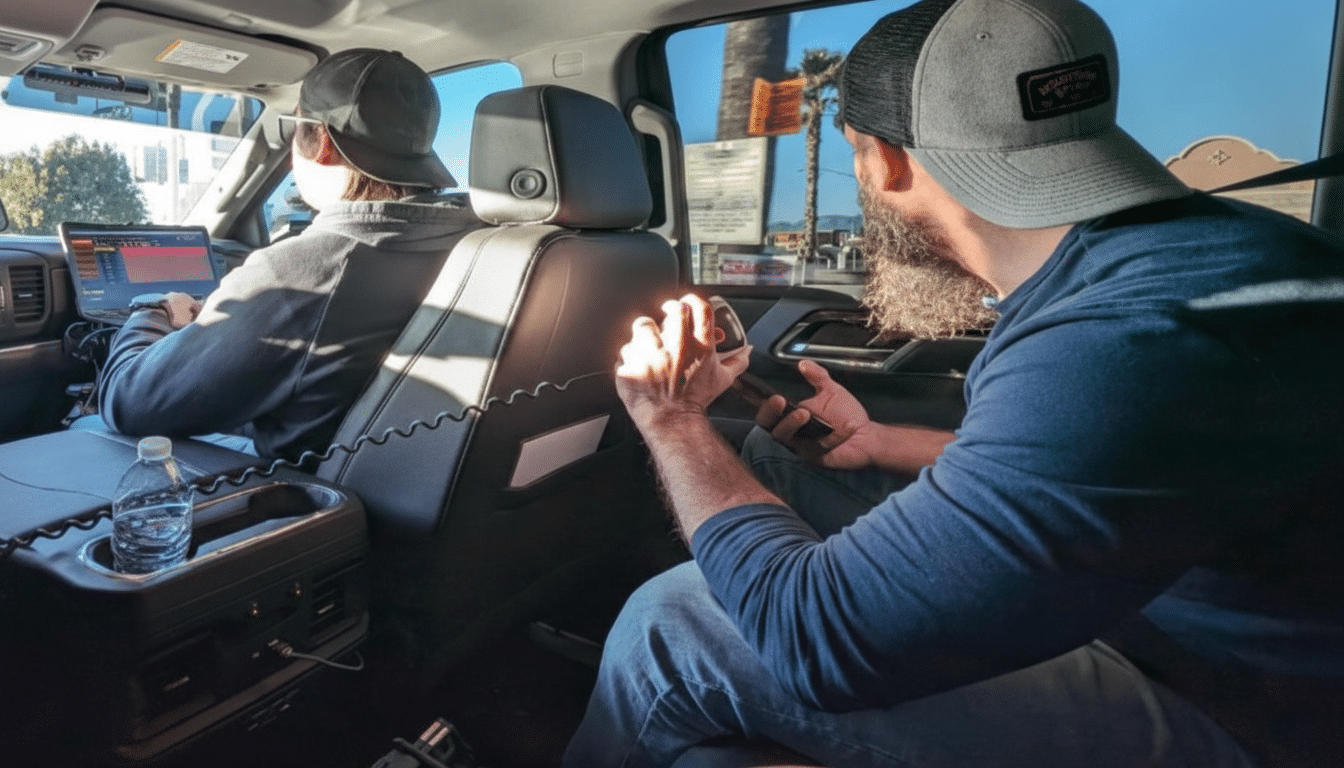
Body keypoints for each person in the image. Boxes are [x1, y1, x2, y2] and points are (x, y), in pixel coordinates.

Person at [563, 1, 1344, 767]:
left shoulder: (1121, 339)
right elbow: (1113, 474)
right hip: (1177, 620)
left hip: (1239, 717)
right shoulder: (1197, 256)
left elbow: (815, 640)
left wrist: (671, 420)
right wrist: (883, 443)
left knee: (677, 625)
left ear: (885, 160)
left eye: (858, 163)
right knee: (780, 464)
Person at [96, 49, 479, 459]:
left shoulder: (304, 271)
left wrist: (153, 311)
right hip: (407, 470)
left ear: (322, 142)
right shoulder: (478, 241)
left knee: (93, 430)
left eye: (294, 129)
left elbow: (127, 403)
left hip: (306, 496)